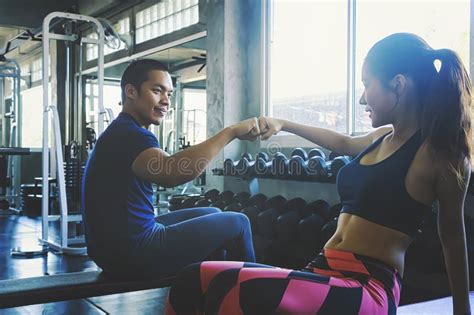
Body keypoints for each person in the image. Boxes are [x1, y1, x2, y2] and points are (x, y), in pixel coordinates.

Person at [165, 33, 472, 315]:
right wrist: (283, 124)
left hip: (367, 288)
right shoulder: (380, 138)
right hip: (323, 270)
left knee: (235, 293)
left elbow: (453, 237)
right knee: (193, 280)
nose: (362, 99)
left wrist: (462, 311)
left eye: (367, 84)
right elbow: (341, 142)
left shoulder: (440, 155)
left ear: (398, 84)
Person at [81, 59, 258, 279]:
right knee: (238, 223)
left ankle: (211, 293)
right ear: (131, 92)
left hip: (110, 251)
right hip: (131, 253)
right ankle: (251, 296)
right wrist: (231, 132)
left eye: (169, 94)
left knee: (213, 213)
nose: (166, 101)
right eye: (157, 91)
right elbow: (172, 172)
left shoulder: (123, 129)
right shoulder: (131, 134)